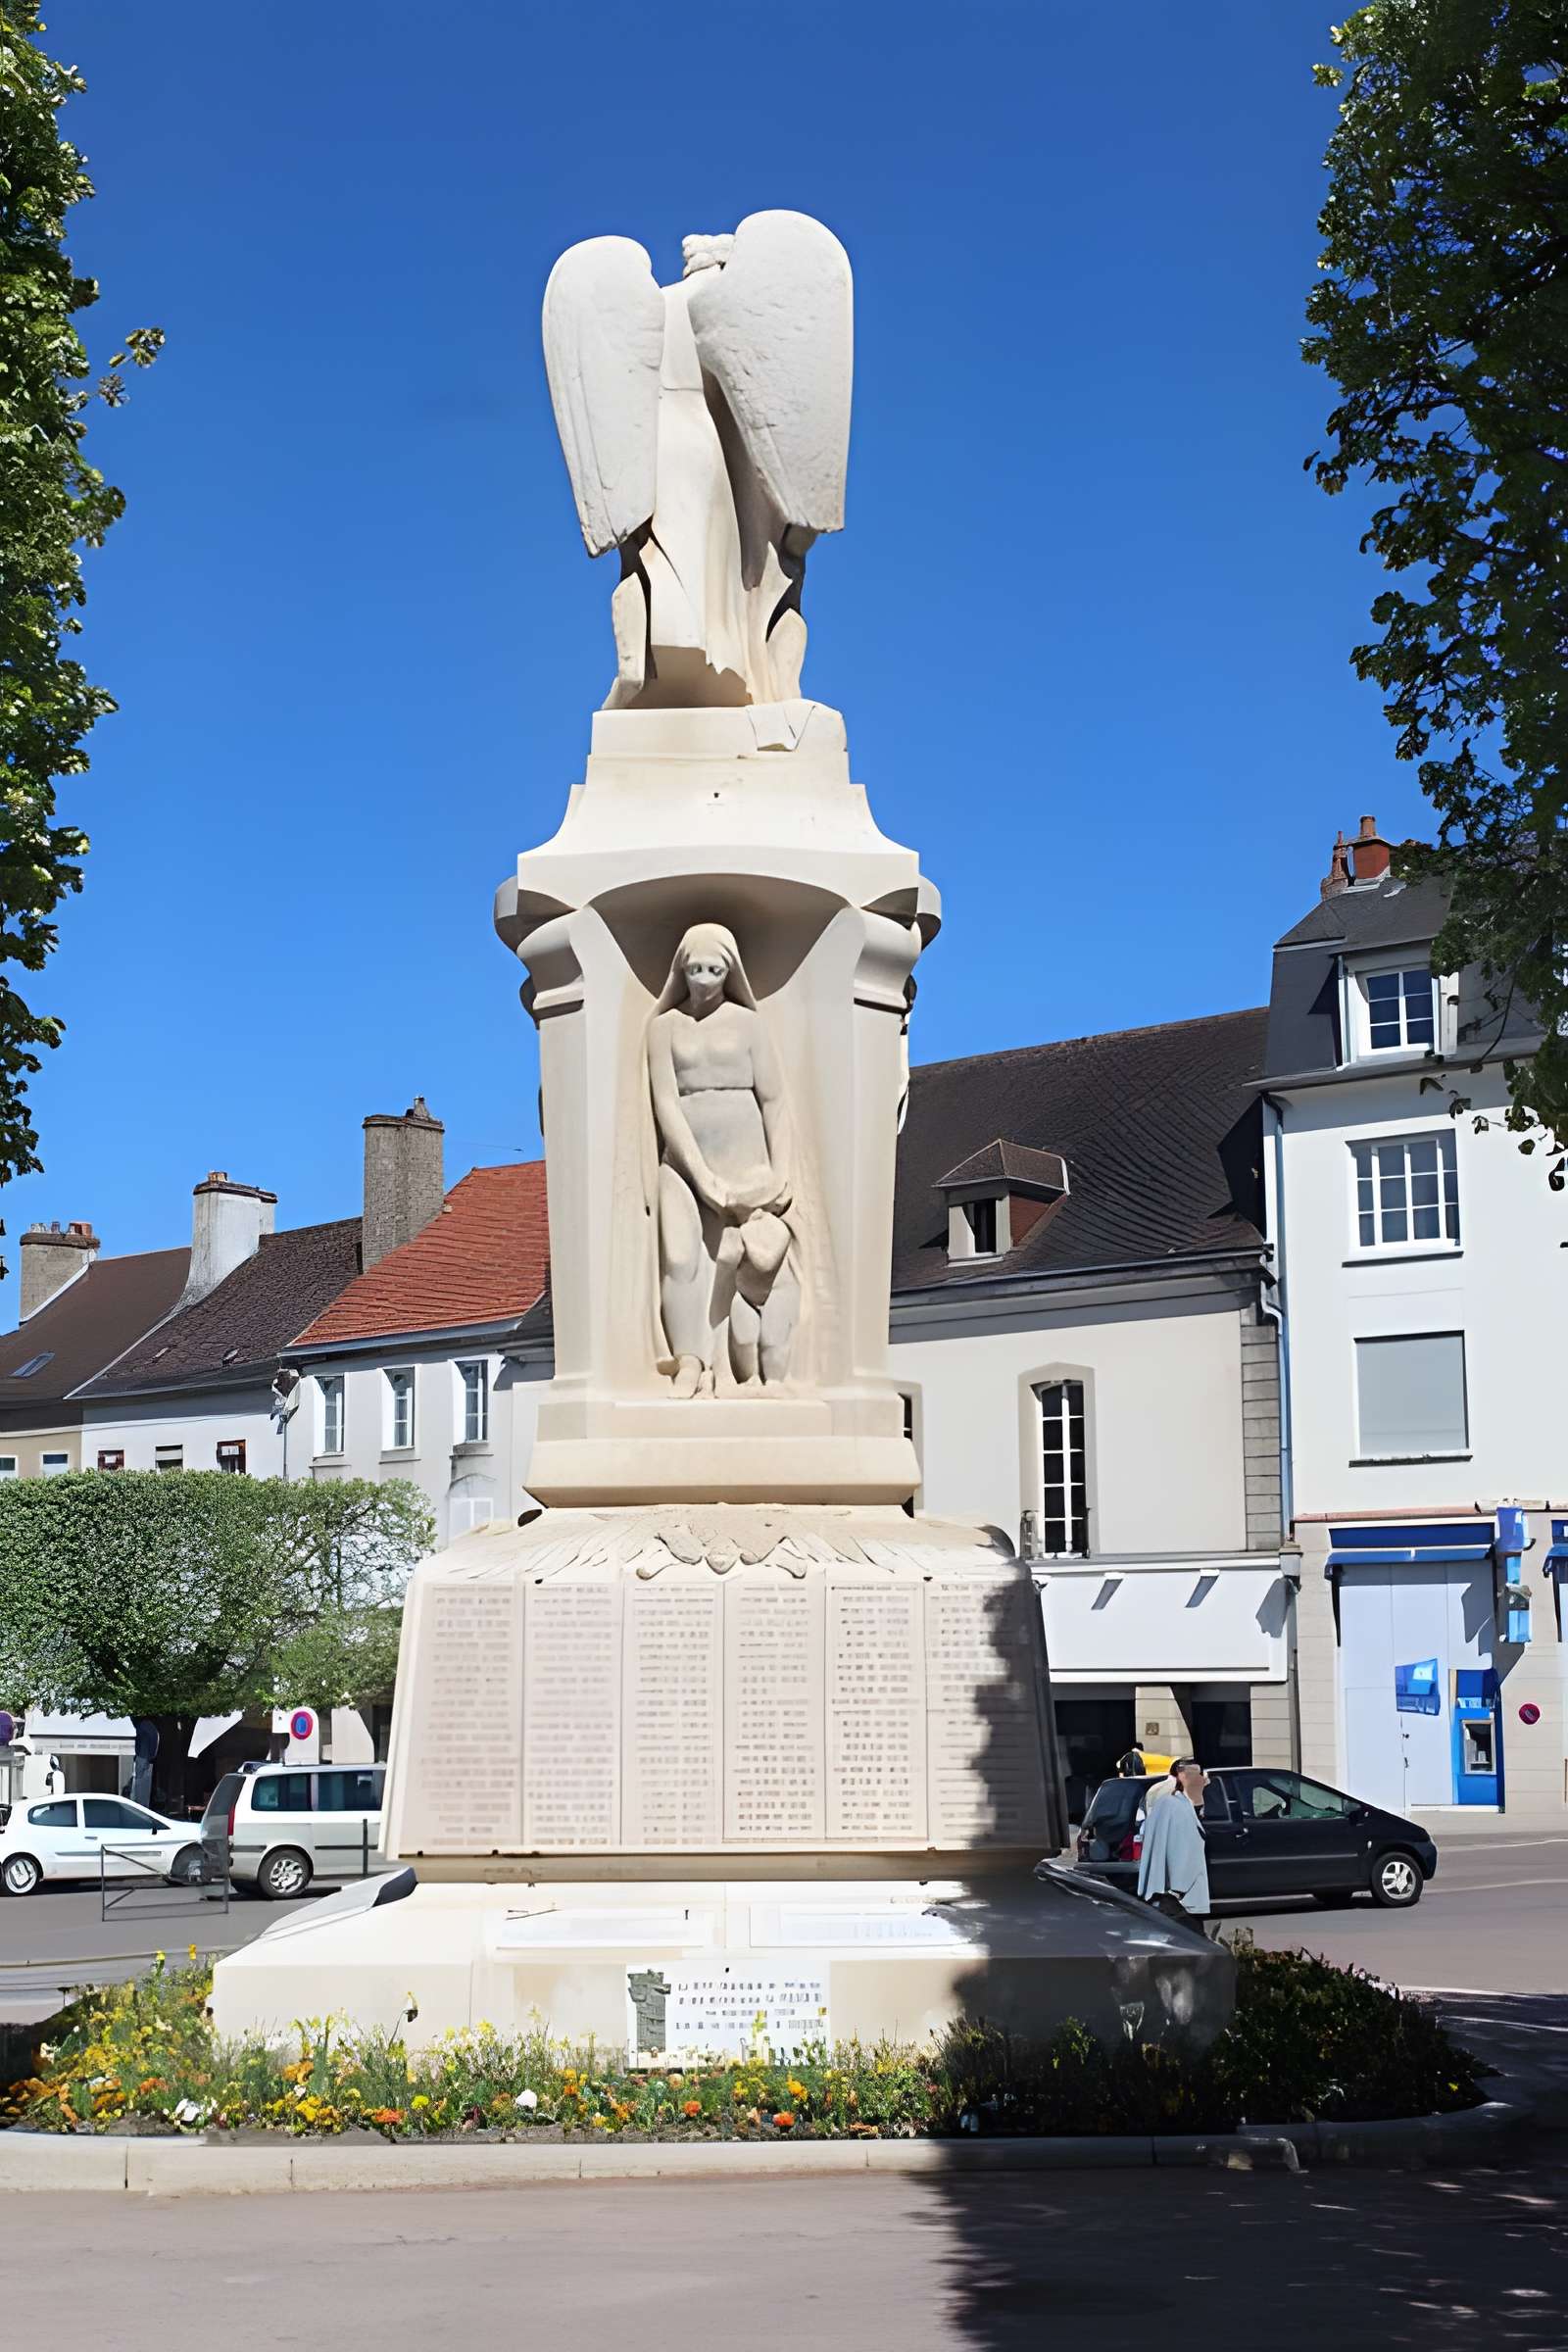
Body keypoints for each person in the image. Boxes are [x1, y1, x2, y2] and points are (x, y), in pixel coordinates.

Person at [1136, 1758, 1215, 1936]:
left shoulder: (1166, 1801)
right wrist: (1178, 1891)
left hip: (1163, 1893)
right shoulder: (1179, 1808)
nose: (1205, 1783)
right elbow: (1184, 1853)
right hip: (1181, 1902)